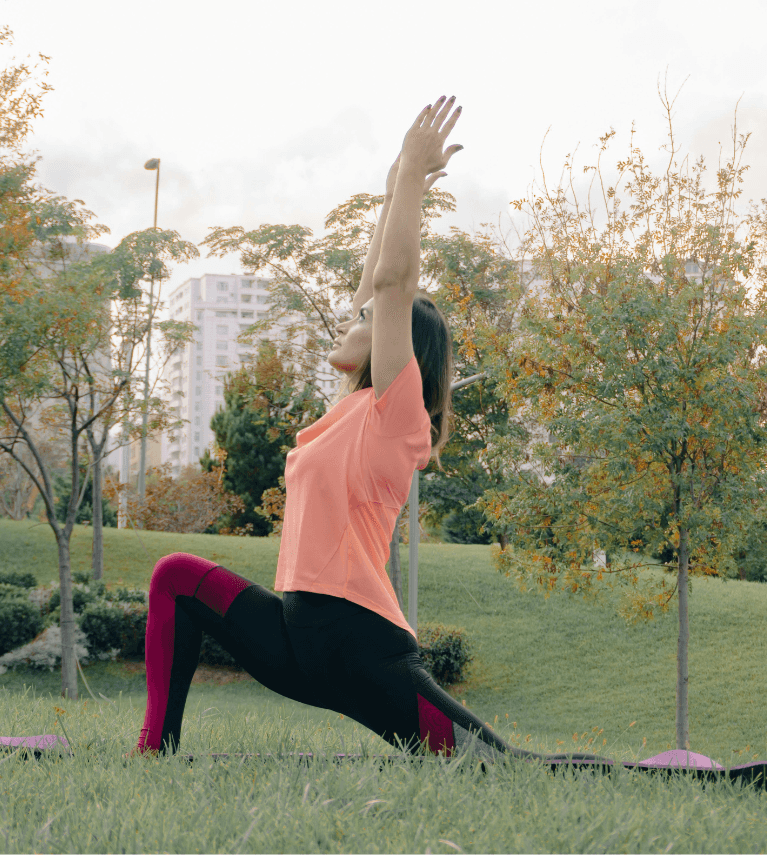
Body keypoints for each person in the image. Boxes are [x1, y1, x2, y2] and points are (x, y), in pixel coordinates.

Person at [131, 96, 577, 763]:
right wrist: (401, 176)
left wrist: (411, 188)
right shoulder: (347, 412)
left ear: (397, 345)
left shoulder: (398, 413)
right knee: (175, 575)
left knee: (501, 766)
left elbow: (394, 281)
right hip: (298, 634)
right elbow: (377, 281)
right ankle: (153, 751)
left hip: (361, 647)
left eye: (369, 320)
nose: (357, 315)